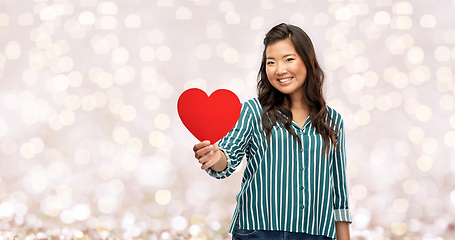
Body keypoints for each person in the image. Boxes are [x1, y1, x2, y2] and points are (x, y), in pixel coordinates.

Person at [193, 23, 351, 240]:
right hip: (259, 232)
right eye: (271, 62)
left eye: (288, 59)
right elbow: (227, 158)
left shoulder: (332, 121)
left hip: (316, 233)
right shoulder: (252, 111)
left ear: (307, 61)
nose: (280, 70)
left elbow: (339, 192)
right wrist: (214, 156)